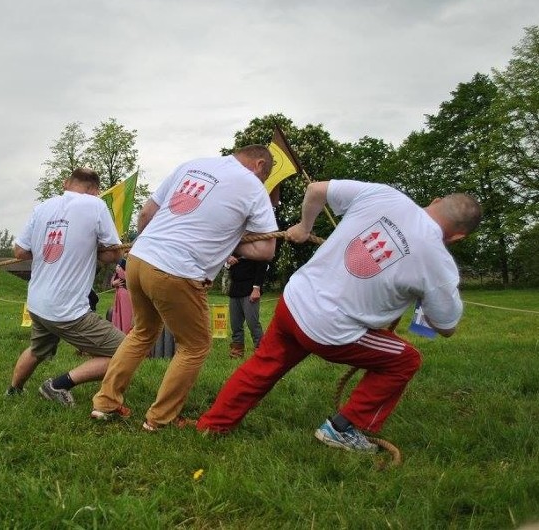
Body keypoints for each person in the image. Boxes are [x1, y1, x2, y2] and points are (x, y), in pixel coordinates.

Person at [196, 181, 482, 453]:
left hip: (294, 302)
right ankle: (344, 428)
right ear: (458, 237)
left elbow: (316, 189)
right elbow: (446, 326)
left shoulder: (383, 194)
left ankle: (213, 425)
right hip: (331, 331)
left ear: (435, 202)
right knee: (405, 360)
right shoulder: (440, 264)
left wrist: (305, 227)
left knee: (263, 366)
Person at [91, 144, 278, 431]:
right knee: (195, 345)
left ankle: (105, 403)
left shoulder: (192, 164)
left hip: (139, 260)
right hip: (175, 269)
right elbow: (266, 249)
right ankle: (160, 418)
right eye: (267, 175)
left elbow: (145, 214)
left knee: (142, 332)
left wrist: (152, 245)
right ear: (259, 164)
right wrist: (226, 240)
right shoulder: (253, 186)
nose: (265, 182)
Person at [6, 167, 126, 406]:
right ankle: (58, 385)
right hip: (68, 309)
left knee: (37, 350)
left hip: (39, 304)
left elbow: (19, 252)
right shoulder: (96, 205)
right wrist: (95, 254)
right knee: (127, 352)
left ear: (66, 183)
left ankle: (13, 391)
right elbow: (114, 253)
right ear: (95, 190)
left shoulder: (42, 208)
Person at [225, 256, 269, 358]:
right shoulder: (235, 246)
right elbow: (226, 263)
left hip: (250, 289)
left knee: (252, 323)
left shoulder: (256, 248)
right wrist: (228, 260)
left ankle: (261, 351)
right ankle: (237, 350)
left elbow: (262, 265)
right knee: (235, 323)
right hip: (235, 289)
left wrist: (256, 288)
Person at [109, 257, 133, 334]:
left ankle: (126, 332)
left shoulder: (126, 273)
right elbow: (114, 279)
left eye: (119, 266)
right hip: (119, 298)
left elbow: (125, 276)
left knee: (126, 316)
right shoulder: (118, 275)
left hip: (126, 297)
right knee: (118, 315)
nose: (117, 268)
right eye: (117, 266)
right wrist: (113, 284)